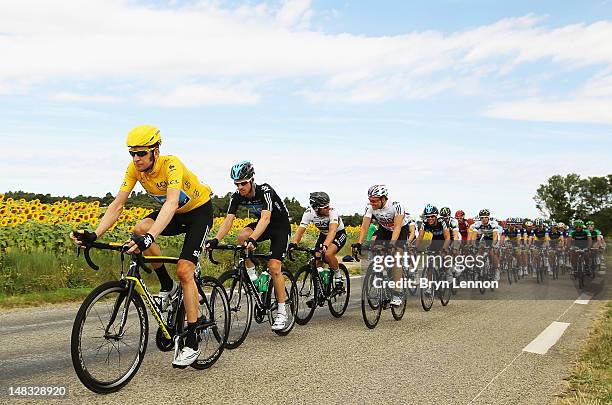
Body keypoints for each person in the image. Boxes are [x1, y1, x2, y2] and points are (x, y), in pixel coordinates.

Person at [70, 125, 213, 367]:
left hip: (198, 212)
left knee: (184, 270)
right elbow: (118, 204)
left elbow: (169, 204)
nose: (136, 159)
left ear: (155, 151)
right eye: (132, 154)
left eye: (141, 153)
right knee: (139, 228)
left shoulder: (171, 165)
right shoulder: (134, 169)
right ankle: (166, 286)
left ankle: (191, 341)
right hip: (175, 214)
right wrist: (95, 233)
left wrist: (151, 238)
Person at [206, 161, 291, 331]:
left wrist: (253, 239)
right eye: (236, 184)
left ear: (252, 179)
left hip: (280, 227)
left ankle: (282, 312)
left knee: (274, 267)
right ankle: (253, 277)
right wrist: (215, 239)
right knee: (242, 235)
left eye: (243, 183)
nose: (240, 187)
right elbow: (228, 220)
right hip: (262, 226)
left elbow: (266, 218)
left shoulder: (265, 190)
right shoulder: (236, 196)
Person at [351, 185, 410, 306]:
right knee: (378, 253)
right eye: (370, 200)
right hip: (384, 230)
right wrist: (359, 243)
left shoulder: (396, 206)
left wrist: (392, 244)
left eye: (375, 200)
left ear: (383, 198)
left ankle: (396, 293)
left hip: (400, 230)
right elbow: (364, 226)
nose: (372, 203)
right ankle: (383, 277)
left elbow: (397, 227)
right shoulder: (369, 207)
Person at [290, 192, 347, 294]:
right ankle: (320, 290)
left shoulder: (332, 212)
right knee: (317, 259)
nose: (328, 208)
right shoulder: (308, 213)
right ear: (316, 208)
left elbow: (332, 231)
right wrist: (294, 243)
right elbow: (301, 230)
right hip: (323, 234)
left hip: (338, 233)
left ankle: (338, 278)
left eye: (328, 205)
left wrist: (325, 245)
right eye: (325, 207)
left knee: (328, 254)